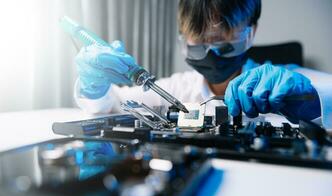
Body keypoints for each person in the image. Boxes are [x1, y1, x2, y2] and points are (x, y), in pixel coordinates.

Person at [74, 0, 332, 129]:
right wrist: (93, 86)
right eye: (199, 46)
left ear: (251, 32)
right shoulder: (178, 88)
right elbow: (108, 106)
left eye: (223, 44)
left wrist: (310, 100)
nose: (211, 54)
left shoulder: (283, 83)